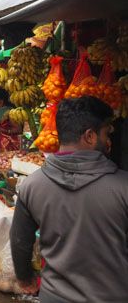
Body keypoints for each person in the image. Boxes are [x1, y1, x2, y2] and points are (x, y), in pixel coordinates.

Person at [10, 96, 128, 303]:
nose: (110, 141)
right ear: (90, 136)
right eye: (106, 133)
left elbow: (20, 241)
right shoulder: (123, 187)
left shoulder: (32, 185)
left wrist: (25, 279)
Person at [0, 88, 22, 152]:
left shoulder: (10, 112)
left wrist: (1, 129)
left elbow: (18, 129)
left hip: (6, 144)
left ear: (1, 101)